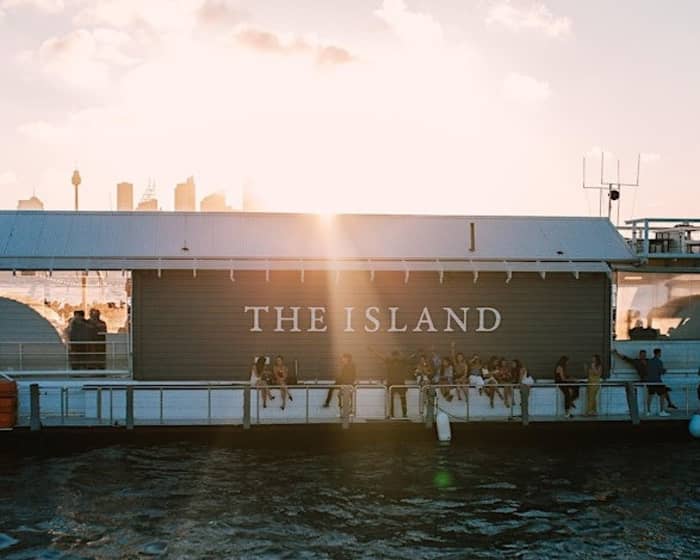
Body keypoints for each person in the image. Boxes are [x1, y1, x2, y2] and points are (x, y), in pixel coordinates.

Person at [369, 347, 409, 418]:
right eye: (395, 355)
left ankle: (402, 414)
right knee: (394, 399)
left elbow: (409, 358)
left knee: (401, 399)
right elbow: (380, 356)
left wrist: (373, 351)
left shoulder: (398, 361)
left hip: (397, 383)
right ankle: (395, 414)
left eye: (396, 355)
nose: (395, 357)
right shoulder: (393, 361)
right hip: (396, 383)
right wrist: (373, 351)